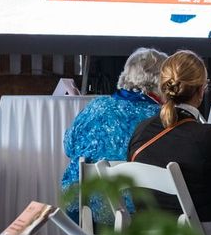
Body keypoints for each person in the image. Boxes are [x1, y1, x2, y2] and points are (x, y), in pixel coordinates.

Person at [127, 50, 211, 235]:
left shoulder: (141, 132)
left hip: (146, 231)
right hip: (200, 231)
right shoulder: (209, 136)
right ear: (201, 90)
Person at [59, 47, 167, 223]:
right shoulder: (160, 116)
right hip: (131, 212)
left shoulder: (97, 105)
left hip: (79, 204)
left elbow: (69, 146)